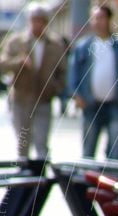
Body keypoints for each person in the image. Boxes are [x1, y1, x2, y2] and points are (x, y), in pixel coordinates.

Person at [67, 5, 118, 160]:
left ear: (109, 20)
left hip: (116, 104)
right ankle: (88, 182)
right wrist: (76, 95)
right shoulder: (83, 47)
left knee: (116, 150)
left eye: (101, 18)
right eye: (95, 18)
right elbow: (73, 72)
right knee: (88, 151)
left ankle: (111, 181)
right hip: (90, 104)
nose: (98, 22)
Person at [0, 3, 66, 159]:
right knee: (23, 144)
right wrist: (18, 62)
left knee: (41, 143)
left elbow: (63, 72)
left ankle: (40, 177)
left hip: (44, 99)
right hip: (21, 99)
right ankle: (24, 178)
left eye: (41, 20)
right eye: (34, 20)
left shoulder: (55, 44)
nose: (37, 24)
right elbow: (2, 65)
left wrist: (55, 88)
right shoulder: (17, 41)